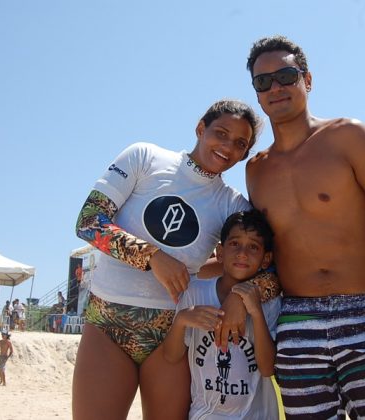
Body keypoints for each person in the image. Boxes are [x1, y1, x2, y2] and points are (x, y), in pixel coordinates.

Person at [244, 35, 365, 419]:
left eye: (285, 75)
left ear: (307, 80)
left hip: (364, 315)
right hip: (296, 324)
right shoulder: (255, 169)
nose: (275, 88)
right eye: (263, 82)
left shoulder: (349, 136)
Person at [72, 99, 279, 420]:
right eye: (220, 133)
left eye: (240, 144)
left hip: (170, 335)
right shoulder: (144, 157)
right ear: (200, 128)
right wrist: (151, 256)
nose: (227, 147)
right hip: (106, 324)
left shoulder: (230, 204)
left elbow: (270, 267)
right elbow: (88, 222)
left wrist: (241, 298)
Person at [163, 210, 280, 419]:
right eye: (234, 243)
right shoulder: (195, 293)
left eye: (253, 246)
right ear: (220, 252)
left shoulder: (269, 301)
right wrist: (181, 321)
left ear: (266, 259)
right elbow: (171, 356)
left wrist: (256, 313)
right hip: (205, 415)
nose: (242, 253)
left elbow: (267, 368)